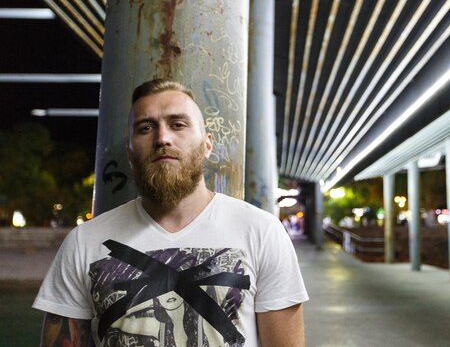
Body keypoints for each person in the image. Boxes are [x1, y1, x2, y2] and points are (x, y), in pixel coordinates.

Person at [33, 79, 309, 346]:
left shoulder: (261, 231)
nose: (162, 138)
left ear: (207, 145)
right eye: (145, 128)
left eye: (178, 125)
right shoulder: (84, 242)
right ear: (130, 154)